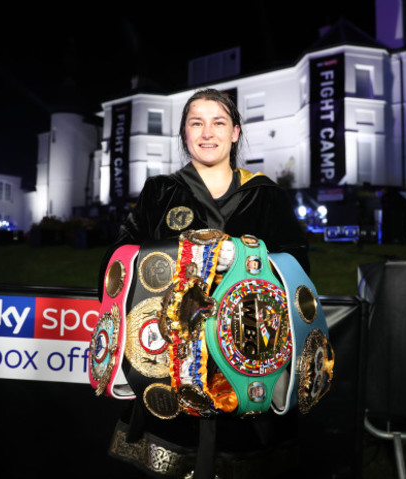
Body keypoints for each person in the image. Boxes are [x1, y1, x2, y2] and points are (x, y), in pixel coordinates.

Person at [98, 88, 309, 479]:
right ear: (184, 134)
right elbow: (118, 260)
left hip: (247, 352)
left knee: (246, 460)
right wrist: (175, 255)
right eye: (196, 123)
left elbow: (298, 268)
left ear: (235, 133)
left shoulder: (266, 195)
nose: (207, 132)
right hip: (169, 354)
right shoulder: (159, 192)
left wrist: (250, 258)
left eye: (218, 122)